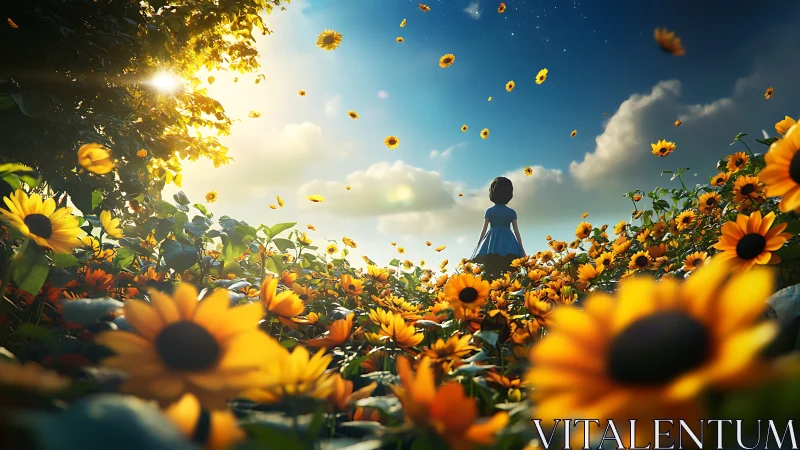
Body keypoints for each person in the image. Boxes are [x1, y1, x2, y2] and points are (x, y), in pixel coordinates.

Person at [470, 177, 526, 277]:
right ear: (509, 193)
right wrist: (521, 249)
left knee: (491, 272)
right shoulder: (511, 212)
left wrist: (478, 246)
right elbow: (517, 232)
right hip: (509, 244)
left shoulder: (489, 211)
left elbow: (483, 231)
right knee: (510, 273)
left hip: (492, 244)